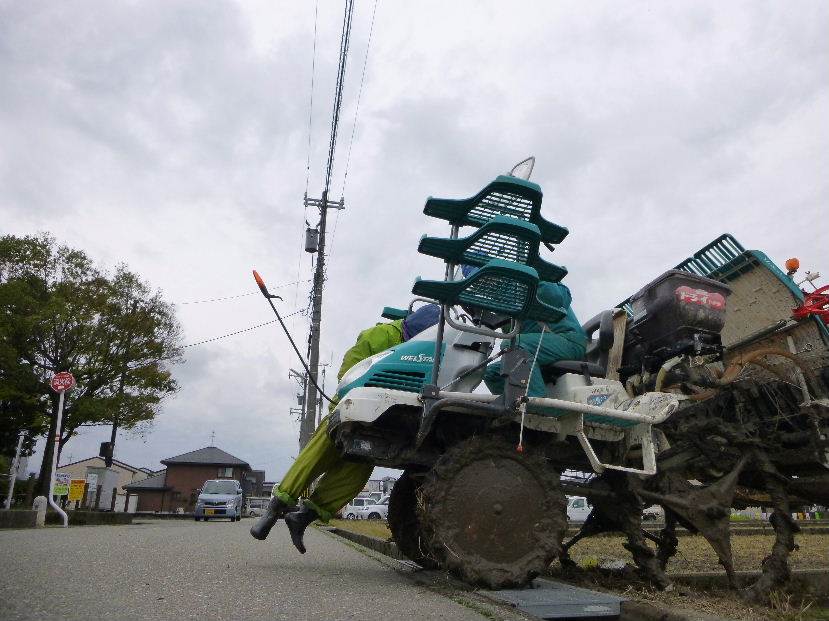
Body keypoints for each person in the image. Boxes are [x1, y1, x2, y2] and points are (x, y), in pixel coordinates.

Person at [250, 303, 441, 553]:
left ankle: (302, 517)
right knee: (320, 452)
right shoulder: (380, 336)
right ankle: (274, 509)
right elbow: (349, 372)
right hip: (351, 405)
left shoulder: (430, 350)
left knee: (358, 470)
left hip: (381, 421)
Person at [483, 280, 587, 398]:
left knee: (512, 344)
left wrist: (537, 275)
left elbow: (557, 297)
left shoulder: (534, 276)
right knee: (490, 374)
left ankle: (535, 405)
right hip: (541, 349)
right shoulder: (506, 301)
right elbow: (512, 334)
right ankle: (512, 407)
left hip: (568, 341)